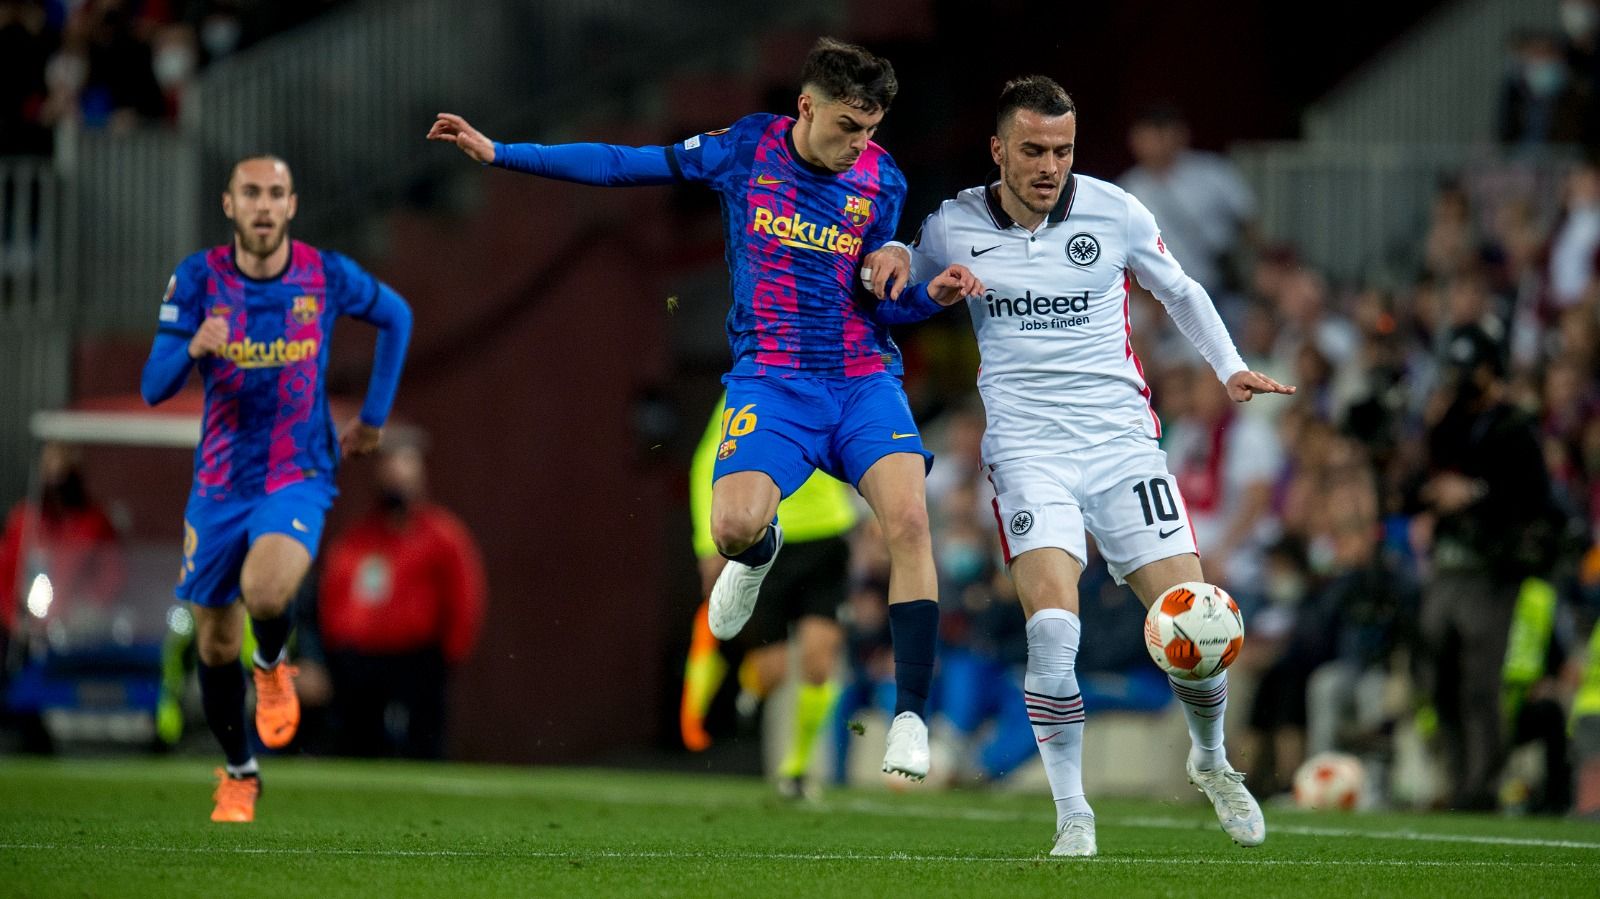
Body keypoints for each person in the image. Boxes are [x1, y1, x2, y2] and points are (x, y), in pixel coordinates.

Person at [429, 37, 982, 780]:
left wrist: (927, 293)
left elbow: (886, 300)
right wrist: (503, 153)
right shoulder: (745, 150)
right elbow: (627, 164)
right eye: (849, 125)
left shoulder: (881, 179)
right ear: (807, 106)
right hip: (773, 380)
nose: (861, 143)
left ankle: (910, 715)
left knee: (910, 522)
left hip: (859, 378)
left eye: (872, 128)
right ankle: (757, 556)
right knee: (732, 528)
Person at [863, 76, 1294, 856]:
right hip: (1029, 453)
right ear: (998, 149)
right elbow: (897, 286)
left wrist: (1229, 365)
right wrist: (893, 254)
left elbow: (1182, 288)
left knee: (1192, 619)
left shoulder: (1115, 209)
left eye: (1061, 149)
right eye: (1031, 149)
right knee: (1054, 629)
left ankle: (1212, 758)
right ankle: (1073, 814)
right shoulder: (955, 222)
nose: (1048, 164)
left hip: (1123, 444)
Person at [140, 154, 413, 822]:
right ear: (230, 205)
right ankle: (239, 770)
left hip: (300, 470)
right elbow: (154, 385)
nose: (264, 206)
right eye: (251, 194)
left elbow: (397, 316)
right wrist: (194, 350)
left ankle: (272, 667)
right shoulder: (198, 278)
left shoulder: (326, 275)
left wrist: (374, 417)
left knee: (266, 590)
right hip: (219, 482)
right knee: (213, 644)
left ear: (292, 205)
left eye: (276, 194)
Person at [680, 394, 854, 799]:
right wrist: (709, 546)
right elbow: (708, 463)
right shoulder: (748, 390)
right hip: (770, 542)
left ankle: (796, 770)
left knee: (818, 661)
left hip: (827, 538)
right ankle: (743, 681)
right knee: (772, 671)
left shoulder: (836, 382)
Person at [1413, 323, 1557, 811]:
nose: (1460, 379)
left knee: (1480, 680)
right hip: (1450, 565)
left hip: (1494, 568)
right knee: (1439, 673)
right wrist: (1434, 491)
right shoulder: (1448, 420)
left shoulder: (1516, 427)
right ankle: (1459, 778)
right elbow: (1416, 482)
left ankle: (1483, 785)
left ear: (1491, 371)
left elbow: (1534, 499)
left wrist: (1472, 494)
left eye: (1468, 369)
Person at [315, 434, 485, 759]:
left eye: (405, 468)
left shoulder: (442, 535)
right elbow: (334, 594)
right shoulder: (358, 539)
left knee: (424, 739)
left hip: (419, 656)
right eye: (390, 468)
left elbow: (464, 596)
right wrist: (336, 652)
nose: (397, 478)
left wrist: (451, 650)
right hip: (363, 660)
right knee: (360, 742)